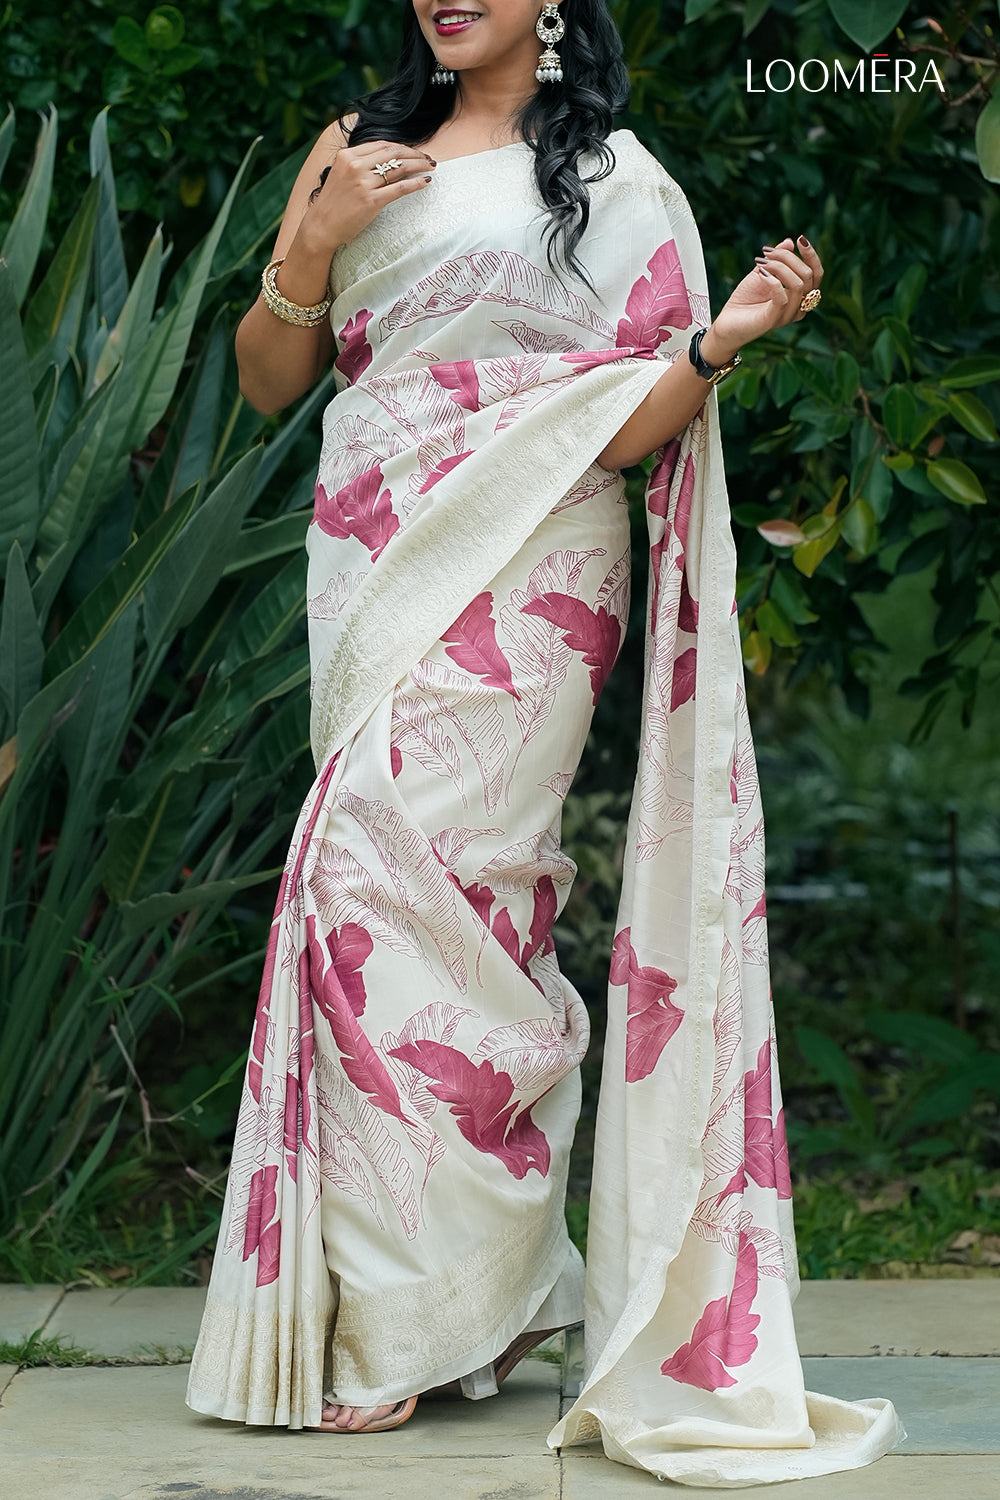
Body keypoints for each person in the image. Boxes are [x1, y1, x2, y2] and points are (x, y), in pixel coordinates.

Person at [187, 1, 906, 1484]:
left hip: (537, 573)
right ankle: (473, 1293)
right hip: (377, 556)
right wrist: (309, 247)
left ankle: (419, 1323)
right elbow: (272, 378)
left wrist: (723, 341)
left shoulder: (625, 183)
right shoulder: (356, 148)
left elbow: (625, 425)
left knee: (433, 887)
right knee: (368, 889)